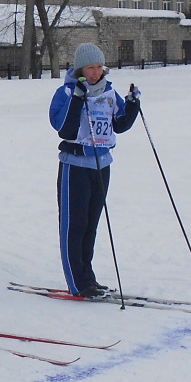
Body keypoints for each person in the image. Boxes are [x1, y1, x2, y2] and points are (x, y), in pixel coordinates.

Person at [48, 42, 140, 299]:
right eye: (90, 67)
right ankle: (77, 282)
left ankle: (88, 276)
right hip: (74, 165)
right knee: (74, 225)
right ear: (80, 69)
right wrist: (78, 99)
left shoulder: (109, 93)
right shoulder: (66, 93)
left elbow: (120, 125)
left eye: (99, 66)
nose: (96, 72)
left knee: (90, 224)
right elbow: (64, 129)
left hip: (101, 164)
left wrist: (132, 105)